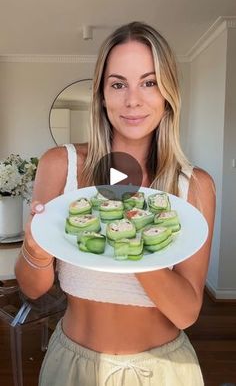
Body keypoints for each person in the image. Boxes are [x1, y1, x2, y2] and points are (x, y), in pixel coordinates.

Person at [15, 21, 215, 386]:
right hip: (72, 366)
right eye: (118, 83)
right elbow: (32, 288)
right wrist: (36, 249)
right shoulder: (61, 165)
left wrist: (131, 233)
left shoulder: (195, 186)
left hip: (165, 371)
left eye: (149, 82)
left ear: (168, 92)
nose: (132, 100)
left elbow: (187, 313)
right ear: (102, 94)